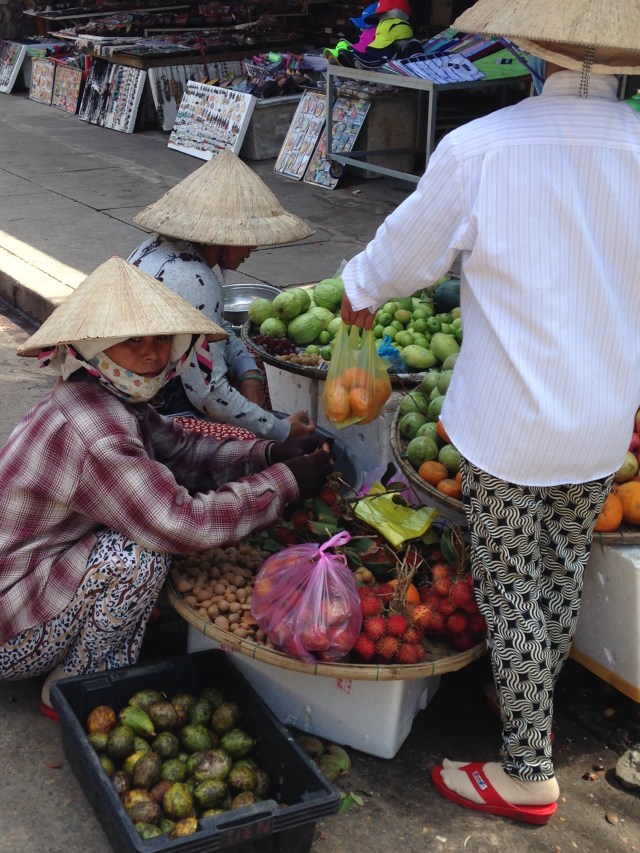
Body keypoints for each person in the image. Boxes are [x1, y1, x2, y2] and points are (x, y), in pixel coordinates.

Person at [340, 0, 640, 825]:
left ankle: (528, 770)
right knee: (561, 570)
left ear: (534, 49)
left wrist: (360, 289)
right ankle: (527, 698)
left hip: (508, 425)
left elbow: (405, 252)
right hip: (601, 422)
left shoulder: (483, 145)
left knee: (511, 590)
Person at [0, 257, 333, 719]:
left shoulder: (105, 396)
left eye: (161, 339)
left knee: (146, 519)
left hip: (33, 575)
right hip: (11, 630)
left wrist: (269, 454)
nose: (152, 354)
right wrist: (285, 483)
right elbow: (180, 523)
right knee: (141, 553)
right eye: (132, 341)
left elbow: (181, 450)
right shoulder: (96, 430)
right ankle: (78, 684)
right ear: (94, 347)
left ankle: (107, 627)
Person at [128, 150, 315, 441]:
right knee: (253, 447)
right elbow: (208, 392)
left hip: (150, 386)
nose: (253, 249)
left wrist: (248, 371)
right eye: (247, 240)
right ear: (224, 238)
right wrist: (280, 430)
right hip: (151, 413)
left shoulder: (155, 247)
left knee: (250, 358)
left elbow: (213, 323)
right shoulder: (195, 278)